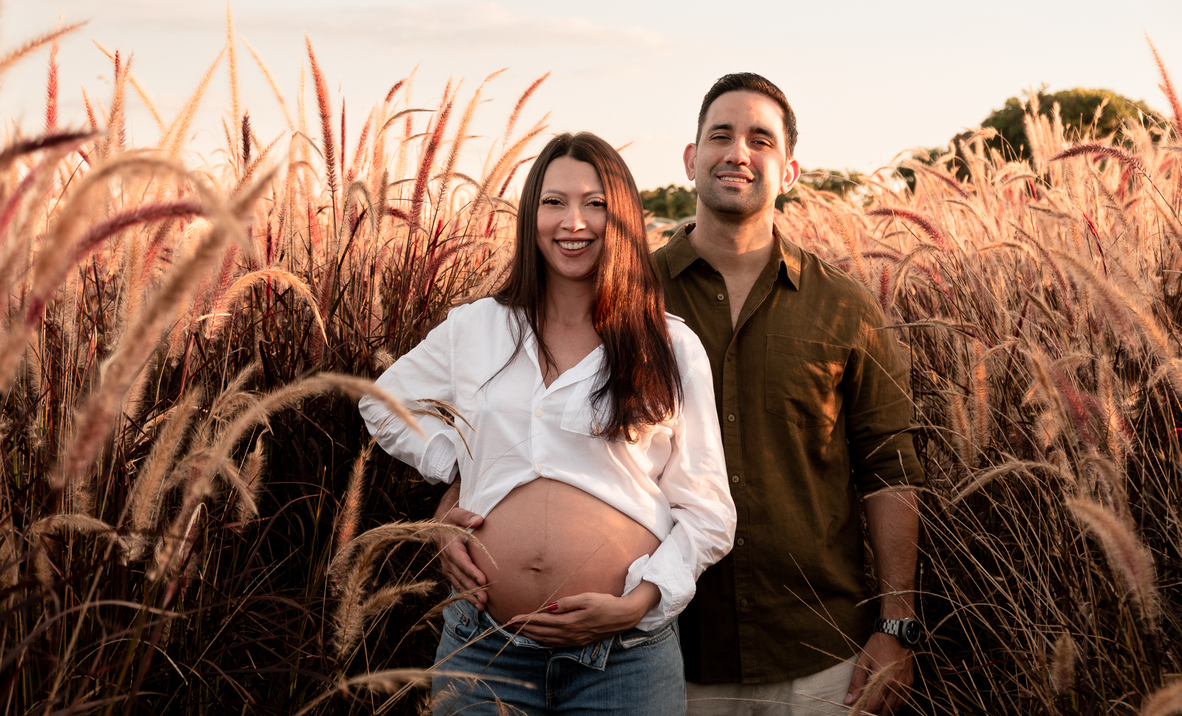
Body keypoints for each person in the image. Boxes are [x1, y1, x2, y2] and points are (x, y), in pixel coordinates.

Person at [359, 132, 736, 715]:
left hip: (624, 659)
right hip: (484, 650)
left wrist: (639, 602)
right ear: (531, 212)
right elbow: (383, 401)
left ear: (624, 218)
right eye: (553, 201)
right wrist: (457, 467)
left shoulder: (670, 344)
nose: (573, 222)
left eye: (595, 203)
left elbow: (708, 511)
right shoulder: (477, 328)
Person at [655, 73, 926, 716]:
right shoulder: (626, 300)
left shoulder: (846, 309)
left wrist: (897, 628)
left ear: (791, 170)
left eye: (760, 140)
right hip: (668, 654)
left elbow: (889, 469)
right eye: (720, 135)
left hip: (823, 657)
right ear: (691, 159)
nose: (738, 153)